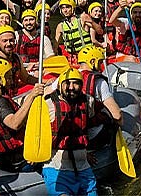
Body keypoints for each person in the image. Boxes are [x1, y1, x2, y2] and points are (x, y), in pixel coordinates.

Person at [0, 58, 45, 170]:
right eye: (9, 77)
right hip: (18, 161)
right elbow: (14, 123)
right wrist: (32, 96)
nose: (11, 81)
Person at [42, 68, 98, 196]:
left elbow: (88, 127)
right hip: (56, 168)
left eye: (76, 83)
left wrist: (85, 152)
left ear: (81, 85)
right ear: (60, 86)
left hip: (83, 167)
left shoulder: (88, 101)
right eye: (67, 83)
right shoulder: (48, 104)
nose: (71, 87)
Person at [75, 45, 122, 150]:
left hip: (72, 134)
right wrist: (122, 127)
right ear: (92, 62)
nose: (101, 66)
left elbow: (47, 91)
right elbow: (117, 115)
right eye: (100, 62)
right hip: (92, 137)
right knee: (108, 118)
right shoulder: (99, 82)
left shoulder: (65, 77)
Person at [0, 25, 40, 97]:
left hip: (14, 97)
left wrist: (44, 81)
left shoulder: (16, 58)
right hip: (1, 101)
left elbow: (26, 78)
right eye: (4, 41)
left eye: (11, 40)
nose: (9, 44)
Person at [54, 0, 96, 67]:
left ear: (73, 8)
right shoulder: (60, 26)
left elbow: (99, 31)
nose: (65, 10)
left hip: (86, 55)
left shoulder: (82, 20)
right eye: (63, 8)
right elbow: (55, 45)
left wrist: (92, 22)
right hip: (72, 58)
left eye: (67, 7)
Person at [16, 9, 55, 77]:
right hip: (20, 69)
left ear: (36, 21)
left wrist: (38, 64)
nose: (28, 23)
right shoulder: (16, 36)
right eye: (26, 20)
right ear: (22, 22)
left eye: (31, 19)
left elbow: (50, 57)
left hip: (38, 69)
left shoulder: (44, 38)